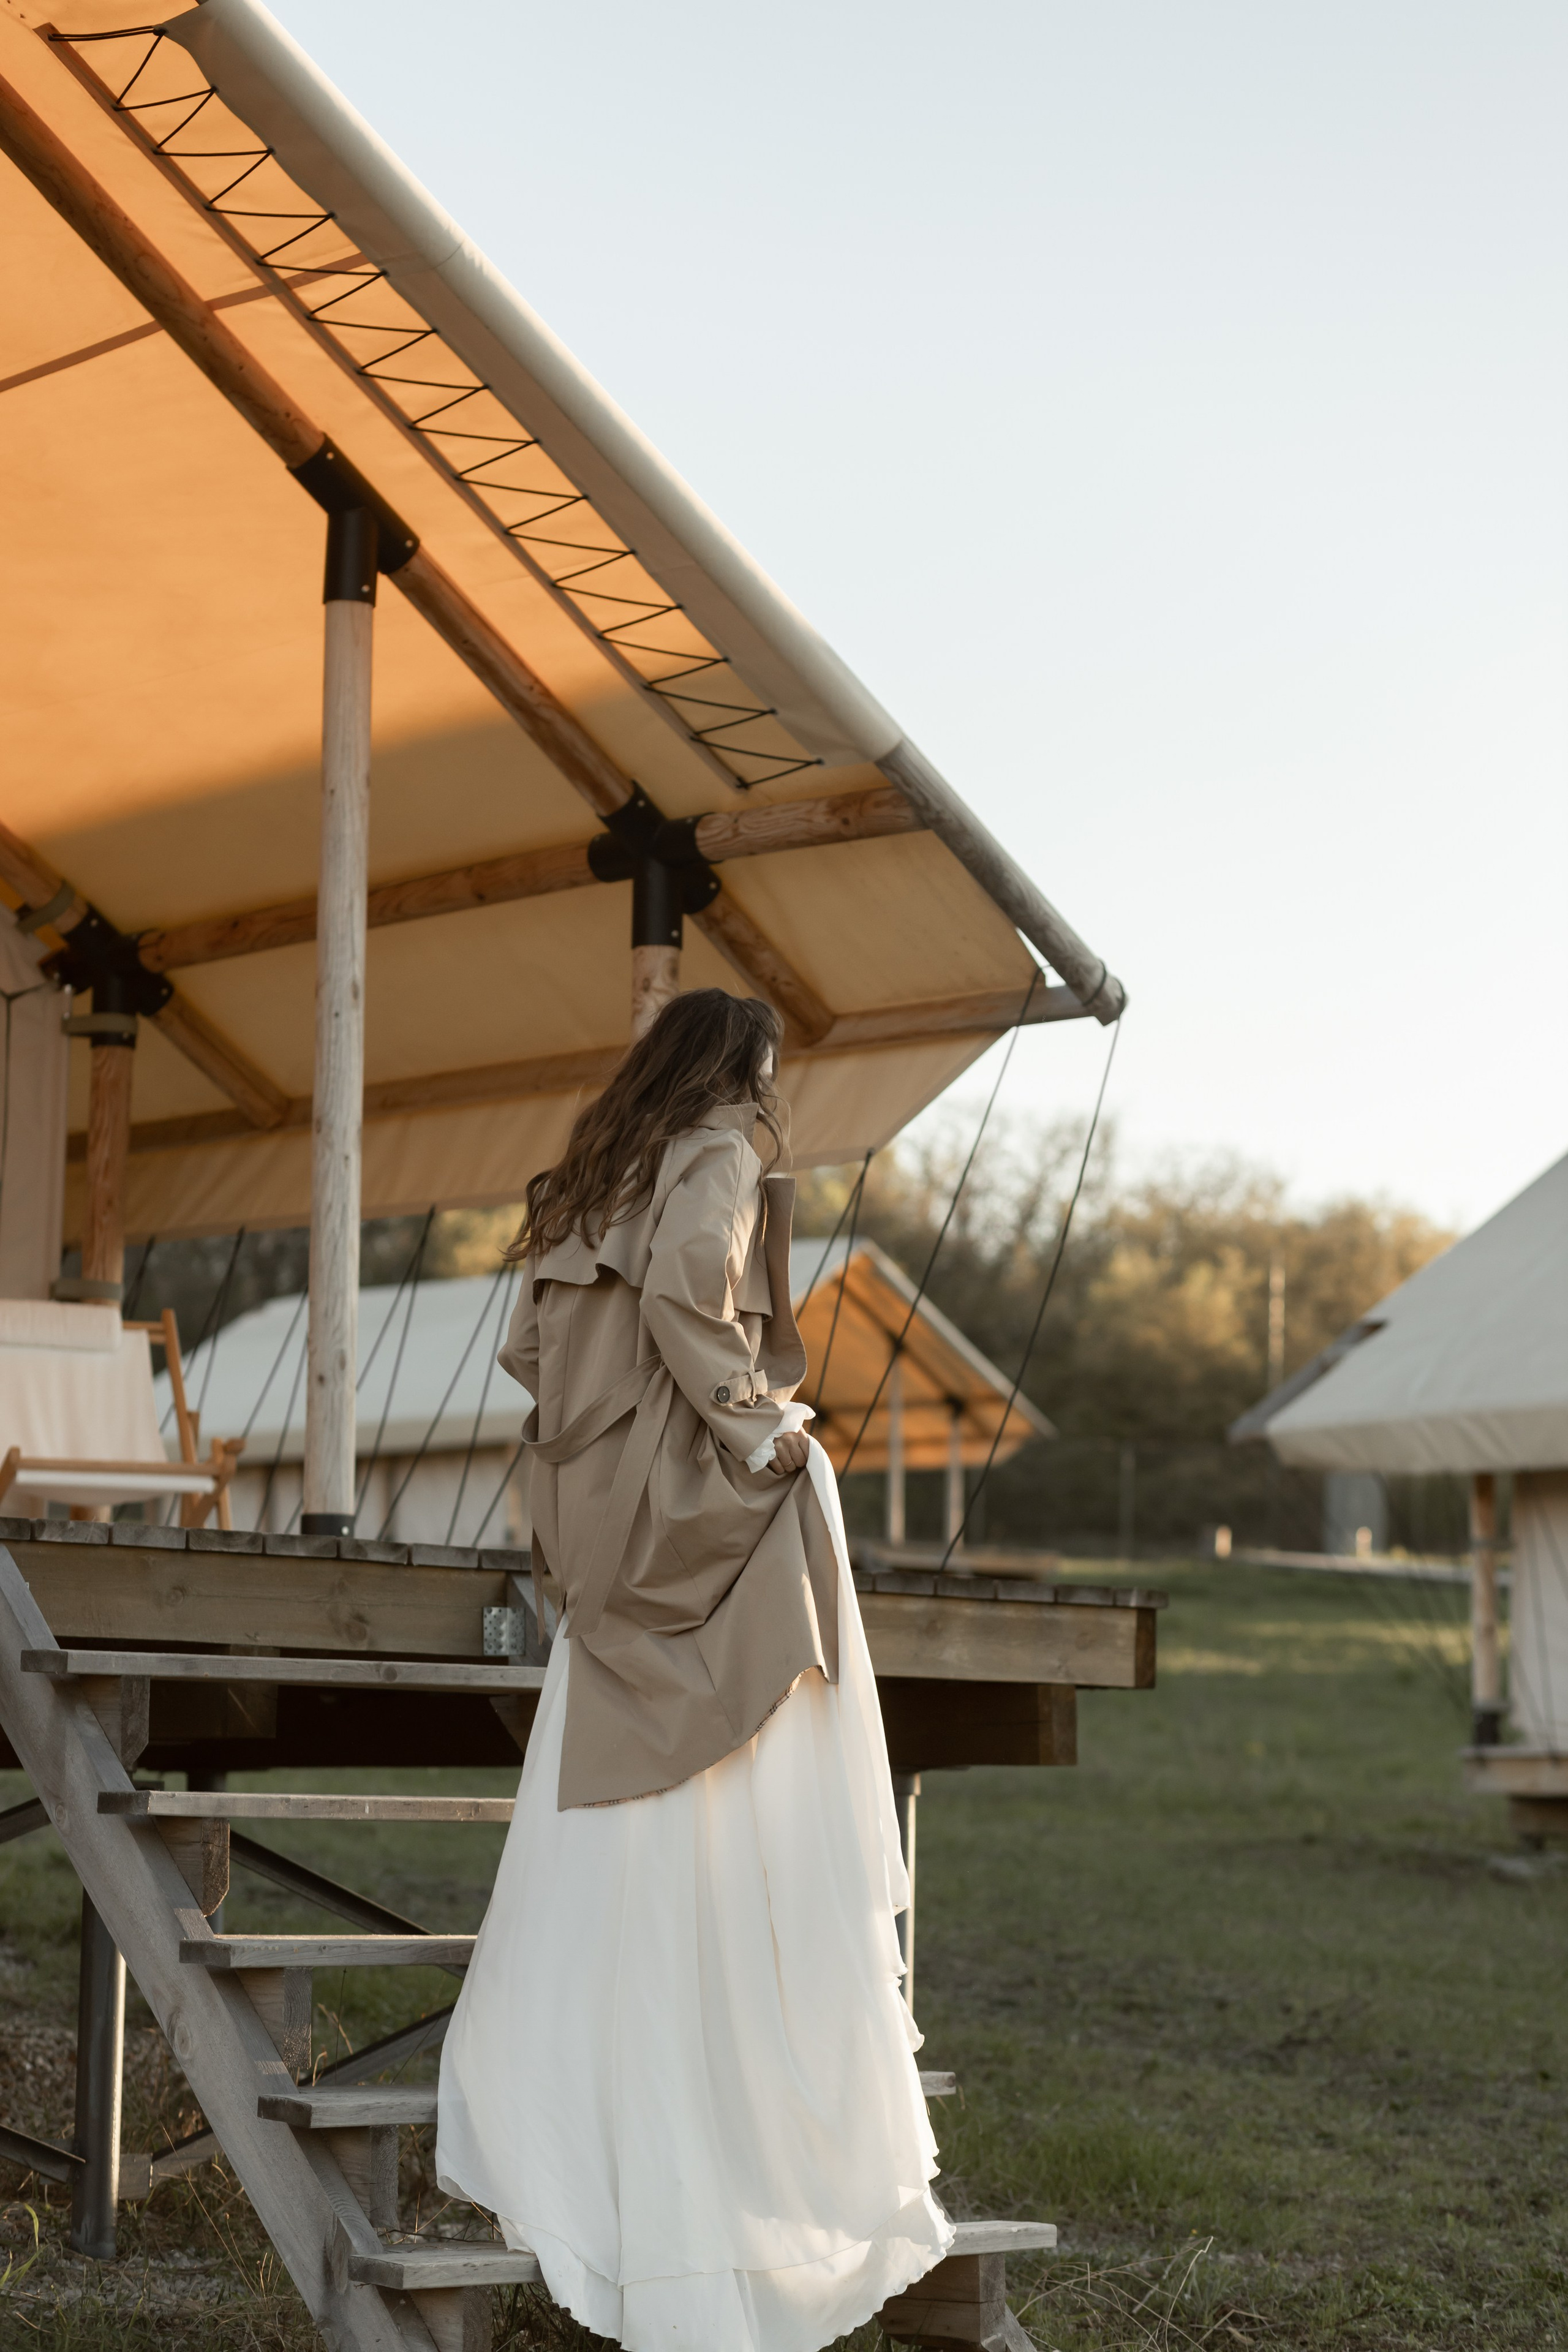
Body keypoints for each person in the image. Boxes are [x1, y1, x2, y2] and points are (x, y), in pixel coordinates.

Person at [436, 989, 951, 2352]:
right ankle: (741, 2088)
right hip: (682, 1492)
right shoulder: (719, 1142)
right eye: (771, 1069)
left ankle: (598, 2108)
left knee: (625, 1778)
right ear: (743, 1067)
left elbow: (543, 1359)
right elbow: (683, 1290)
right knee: (793, 1582)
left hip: (598, 1518)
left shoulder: (596, 1167)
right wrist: (754, 1428)